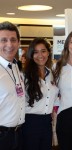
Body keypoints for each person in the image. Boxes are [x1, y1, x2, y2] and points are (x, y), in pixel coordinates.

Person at [22, 37, 58, 150]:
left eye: (43, 51)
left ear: (48, 53)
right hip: (30, 123)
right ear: (31, 55)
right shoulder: (24, 76)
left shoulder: (52, 74)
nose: (40, 55)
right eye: (36, 52)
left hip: (47, 123)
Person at [0, 21, 25, 150]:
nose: (9, 44)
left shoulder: (15, 66)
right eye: (3, 40)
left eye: (13, 40)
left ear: (18, 42)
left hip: (19, 134)